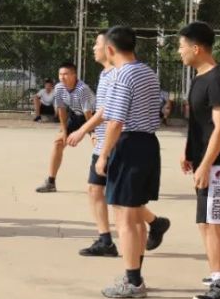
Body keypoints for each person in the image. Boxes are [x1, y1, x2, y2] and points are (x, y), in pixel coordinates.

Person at [68, 31, 170, 258]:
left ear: (110, 48)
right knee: (105, 194)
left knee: (125, 209)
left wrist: (87, 133)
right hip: (126, 142)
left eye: (97, 44)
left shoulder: (121, 75)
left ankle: (133, 274)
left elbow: (112, 116)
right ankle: (109, 241)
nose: (93, 48)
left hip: (119, 143)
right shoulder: (122, 73)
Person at [178, 22, 220, 299]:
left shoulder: (219, 80)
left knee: (210, 221)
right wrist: (189, 151)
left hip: (218, 164)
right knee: (216, 218)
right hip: (206, 161)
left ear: (197, 48)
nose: (179, 52)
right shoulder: (198, 78)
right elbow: (199, 124)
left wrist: (206, 164)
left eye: (181, 47)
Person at [95, 26, 162, 299]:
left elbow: (116, 121)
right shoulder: (148, 72)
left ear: (111, 49)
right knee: (135, 216)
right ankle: (133, 273)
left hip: (128, 144)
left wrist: (103, 154)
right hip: (148, 143)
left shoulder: (122, 76)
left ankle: (133, 282)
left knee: (124, 217)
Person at [35, 62, 94, 193]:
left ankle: (107, 183)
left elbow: (88, 113)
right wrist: (64, 131)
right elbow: (61, 109)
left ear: (74, 75)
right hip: (75, 116)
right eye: (60, 74)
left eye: (66, 74)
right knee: (58, 143)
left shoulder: (82, 89)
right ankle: (51, 183)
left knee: (100, 147)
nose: (62, 77)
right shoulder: (59, 88)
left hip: (92, 116)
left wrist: (92, 132)